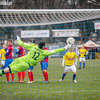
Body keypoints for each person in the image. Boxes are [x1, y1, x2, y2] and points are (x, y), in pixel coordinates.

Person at [0, 36, 70, 81]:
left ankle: (1, 72)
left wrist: (18, 40)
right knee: (12, 69)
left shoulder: (33, 46)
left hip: (22, 58)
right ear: (43, 47)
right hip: (26, 64)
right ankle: (1, 72)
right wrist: (65, 48)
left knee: (11, 66)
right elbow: (55, 51)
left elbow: (23, 44)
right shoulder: (44, 52)